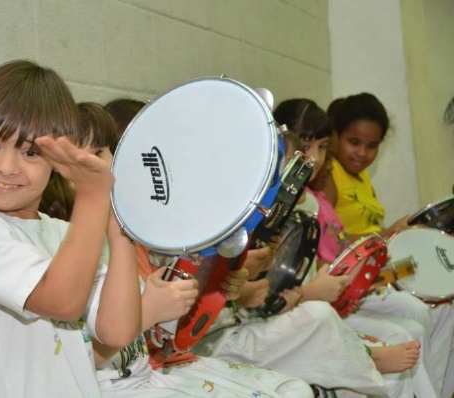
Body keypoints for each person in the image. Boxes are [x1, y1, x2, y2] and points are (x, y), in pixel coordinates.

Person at [105, 98, 420, 397]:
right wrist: (241, 286)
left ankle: (363, 362)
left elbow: (224, 298)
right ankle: (365, 362)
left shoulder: (190, 223)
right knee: (319, 325)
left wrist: (236, 282)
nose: (312, 159)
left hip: (209, 335)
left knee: (392, 324)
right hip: (192, 347)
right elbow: (169, 323)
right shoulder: (145, 235)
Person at [41, 101, 315, 397]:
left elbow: (176, 319)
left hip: (158, 364)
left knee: (294, 389)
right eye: (78, 159)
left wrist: (223, 289)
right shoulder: (63, 240)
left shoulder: (136, 229)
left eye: (99, 153)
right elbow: (74, 354)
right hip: (117, 380)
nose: (92, 166)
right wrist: (153, 311)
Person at [0, 60, 142, 398]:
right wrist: (92, 198)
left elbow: (118, 331)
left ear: (59, 162)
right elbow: (62, 302)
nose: (5, 167)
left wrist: (116, 222)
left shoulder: (65, 234)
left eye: (30, 152)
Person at [274, 98, 440, 397]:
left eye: (322, 147)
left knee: (422, 282)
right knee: (410, 319)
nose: (315, 159)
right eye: (305, 145)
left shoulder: (319, 198)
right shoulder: (297, 199)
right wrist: (387, 236)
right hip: (327, 289)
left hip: (350, 276)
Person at [322, 93, 454, 398]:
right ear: (336, 137)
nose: (362, 153)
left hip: (383, 263)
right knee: (424, 305)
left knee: (446, 293)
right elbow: (333, 243)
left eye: (372, 146)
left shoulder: (362, 178)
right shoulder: (332, 177)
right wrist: (389, 233)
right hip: (359, 274)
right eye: (354, 142)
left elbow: (370, 231)